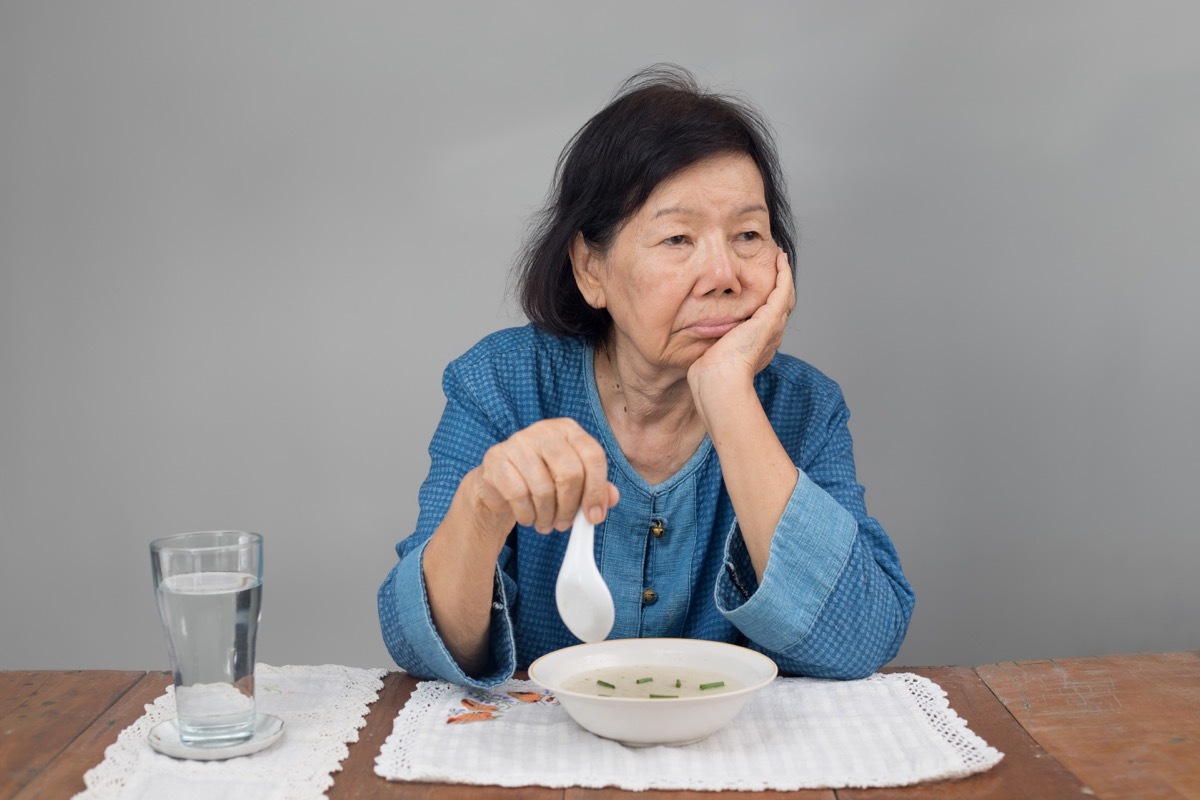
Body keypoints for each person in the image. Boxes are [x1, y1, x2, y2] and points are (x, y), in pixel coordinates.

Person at [378, 65, 914, 688]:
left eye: (748, 235)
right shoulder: (500, 383)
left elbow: (860, 639)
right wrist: (483, 506)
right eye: (678, 238)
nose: (724, 276)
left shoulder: (805, 407)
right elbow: (419, 644)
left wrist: (728, 393)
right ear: (591, 269)